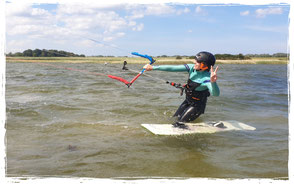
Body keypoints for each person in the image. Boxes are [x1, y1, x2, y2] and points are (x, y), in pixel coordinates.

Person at [143, 51, 220, 128]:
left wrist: (213, 82)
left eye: (197, 62)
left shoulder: (207, 78)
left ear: (204, 65)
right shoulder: (191, 68)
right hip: (188, 101)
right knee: (174, 119)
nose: (194, 62)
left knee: (179, 123)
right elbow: (172, 68)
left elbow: (216, 94)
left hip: (197, 106)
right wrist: (153, 67)